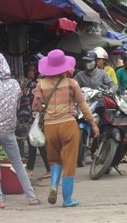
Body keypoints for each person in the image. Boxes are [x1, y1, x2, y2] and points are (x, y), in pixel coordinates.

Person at [32, 49, 99, 207]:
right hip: (68, 125)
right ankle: (67, 200)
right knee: (69, 163)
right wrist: (93, 124)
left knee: (55, 160)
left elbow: (35, 106)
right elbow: (83, 106)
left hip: (49, 126)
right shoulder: (72, 83)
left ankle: (54, 185)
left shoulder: (41, 84)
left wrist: (44, 108)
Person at [0, 53, 40, 209]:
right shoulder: (14, 85)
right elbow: (17, 103)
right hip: (9, 132)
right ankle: (31, 197)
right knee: (17, 163)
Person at [21, 66, 50, 180]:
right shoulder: (43, 83)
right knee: (33, 140)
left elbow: (30, 98)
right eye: (29, 69)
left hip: (37, 116)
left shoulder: (35, 84)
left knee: (38, 141)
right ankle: (30, 168)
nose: (31, 72)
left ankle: (48, 169)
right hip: (38, 116)